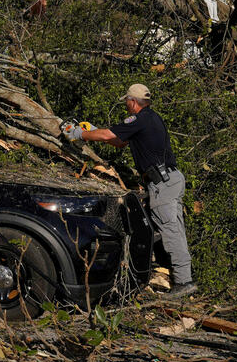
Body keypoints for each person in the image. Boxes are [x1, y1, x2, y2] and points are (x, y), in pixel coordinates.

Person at [65, 83, 196, 298]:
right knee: (170, 230)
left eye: (127, 102)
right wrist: (89, 132)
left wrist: (77, 134)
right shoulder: (149, 119)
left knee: (171, 231)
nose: (126, 106)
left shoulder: (140, 119)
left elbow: (108, 135)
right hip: (166, 181)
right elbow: (118, 142)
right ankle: (181, 278)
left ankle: (184, 282)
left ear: (133, 102)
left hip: (162, 183)